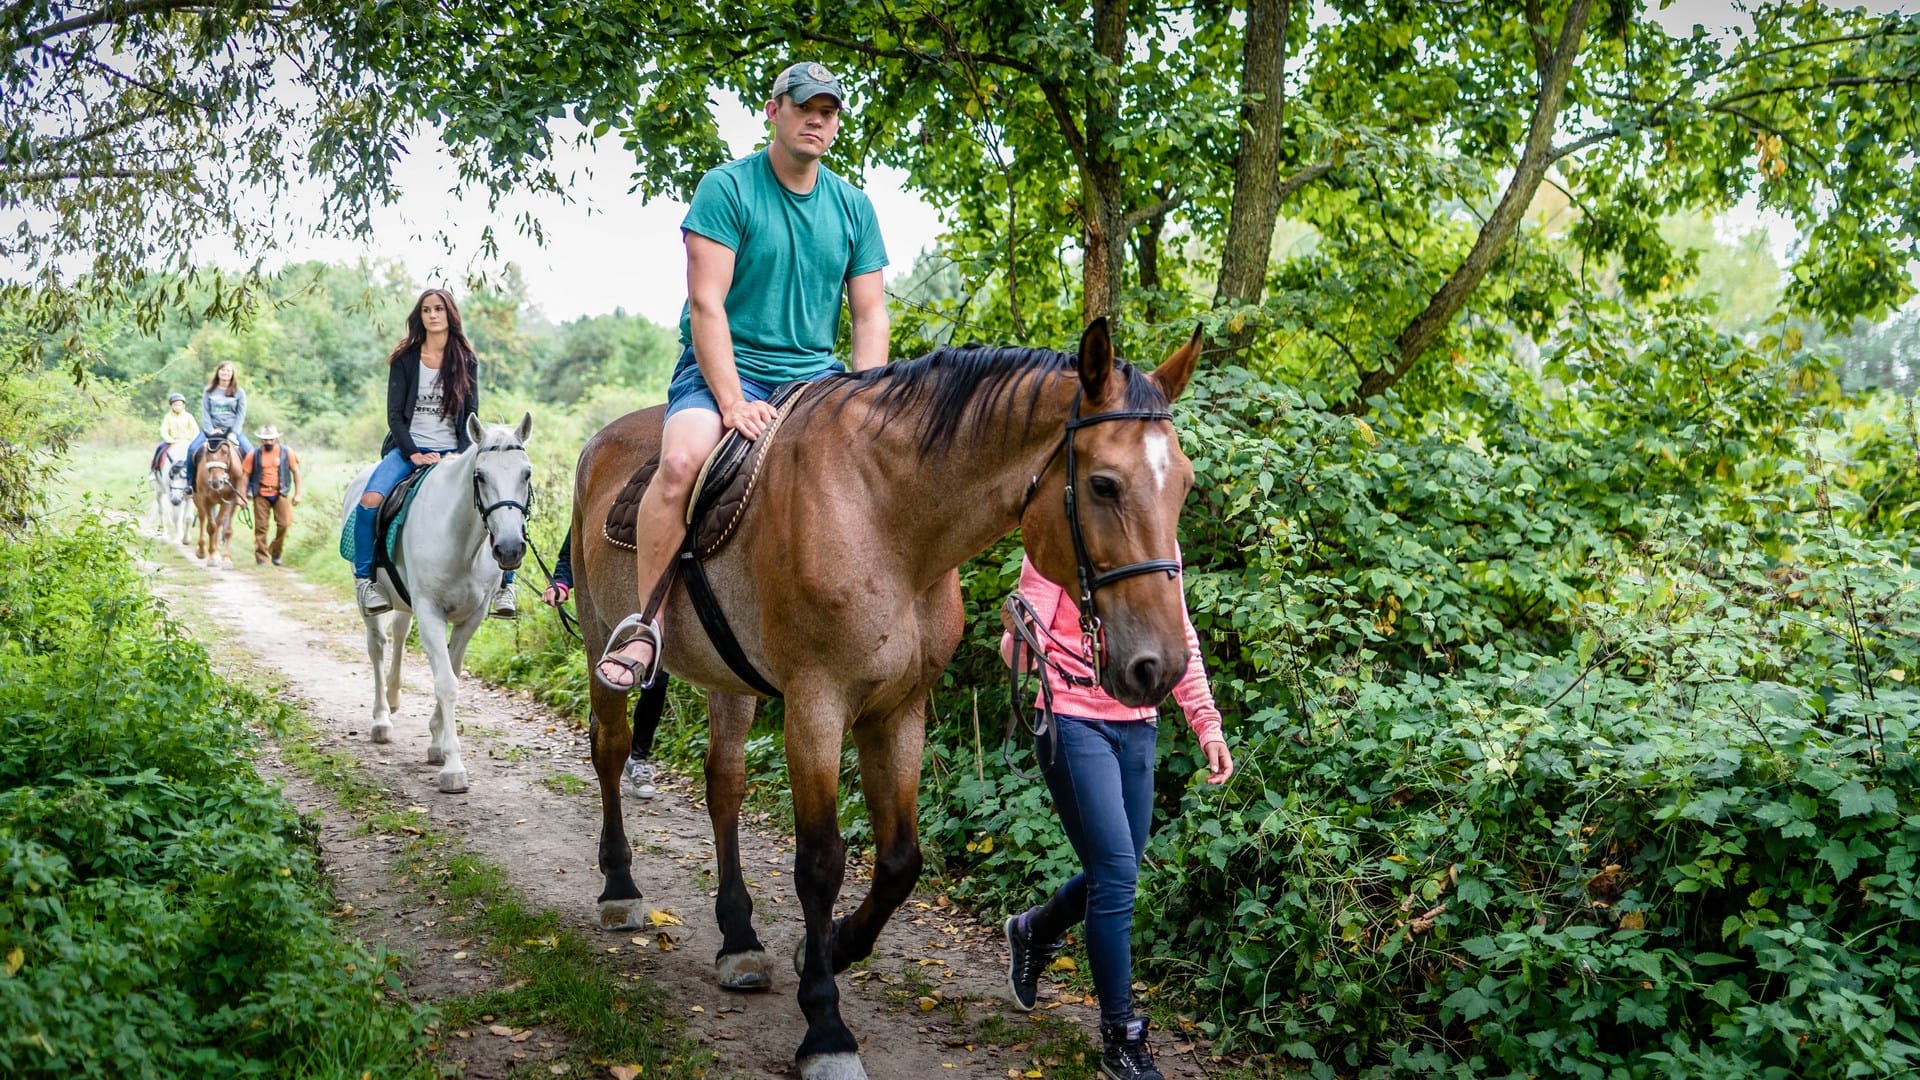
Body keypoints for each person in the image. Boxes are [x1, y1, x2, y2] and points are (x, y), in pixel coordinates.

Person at [595, 60, 890, 690]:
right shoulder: (726, 189)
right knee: (679, 464)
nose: (818, 118)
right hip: (726, 373)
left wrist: (871, 400)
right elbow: (707, 305)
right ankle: (647, 626)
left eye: (829, 111)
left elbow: (869, 316)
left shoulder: (854, 208)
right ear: (773, 109)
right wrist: (730, 402)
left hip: (816, 380)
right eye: (806, 105)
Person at [999, 554, 1235, 1080]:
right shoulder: (1056, 539)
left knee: (1120, 869)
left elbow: (1180, 638)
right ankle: (1119, 1037)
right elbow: (1021, 642)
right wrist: (1019, 640)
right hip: (1071, 719)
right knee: (1117, 874)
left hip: (1137, 721)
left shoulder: (1158, 541)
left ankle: (1034, 930)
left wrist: (1207, 725)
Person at [347, 287, 516, 619]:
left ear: (449, 315)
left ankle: (505, 586)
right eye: (426, 310)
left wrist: (460, 457)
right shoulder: (405, 360)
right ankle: (366, 581)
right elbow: (395, 416)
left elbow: (472, 416)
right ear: (419, 316)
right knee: (370, 500)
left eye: (438, 309)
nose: (432, 315)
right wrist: (413, 454)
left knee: (503, 496)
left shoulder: (466, 360)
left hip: (455, 451)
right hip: (407, 450)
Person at [541, 526, 657, 798]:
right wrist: (561, 582)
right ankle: (607, 743)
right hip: (609, 607)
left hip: (652, 609)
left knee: (656, 680)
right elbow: (577, 540)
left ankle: (637, 758)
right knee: (607, 688)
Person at [186, 362, 253, 491]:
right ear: (218, 372)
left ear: (232, 374)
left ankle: (249, 487)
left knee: (250, 452)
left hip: (232, 430)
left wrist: (233, 432)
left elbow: (240, 414)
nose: (225, 373)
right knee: (191, 449)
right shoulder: (209, 390)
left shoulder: (239, 392)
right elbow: (205, 412)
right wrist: (210, 430)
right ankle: (190, 483)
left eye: (228, 371)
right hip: (211, 430)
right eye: (222, 370)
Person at [241, 424, 302, 566]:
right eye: (265, 440)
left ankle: (275, 551)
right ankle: (261, 557)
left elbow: (296, 472)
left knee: (284, 524)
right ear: (261, 440)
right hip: (261, 493)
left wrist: (298, 494)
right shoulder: (254, 454)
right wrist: (243, 495)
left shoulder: (287, 453)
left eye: (271, 439)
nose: (268, 442)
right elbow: (245, 476)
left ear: (276, 439)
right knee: (261, 527)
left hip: (280, 492)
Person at [152, 392, 198, 472]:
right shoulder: (168, 417)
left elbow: (195, 430)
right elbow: (164, 430)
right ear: (171, 406)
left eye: (179, 405)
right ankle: (154, 468)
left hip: (187, 442)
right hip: (173, 441)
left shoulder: (188, 416)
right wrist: (171, 440)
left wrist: (191, 441)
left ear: (184, 406)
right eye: (175, 405)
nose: (177, 407)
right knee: (159, 447)